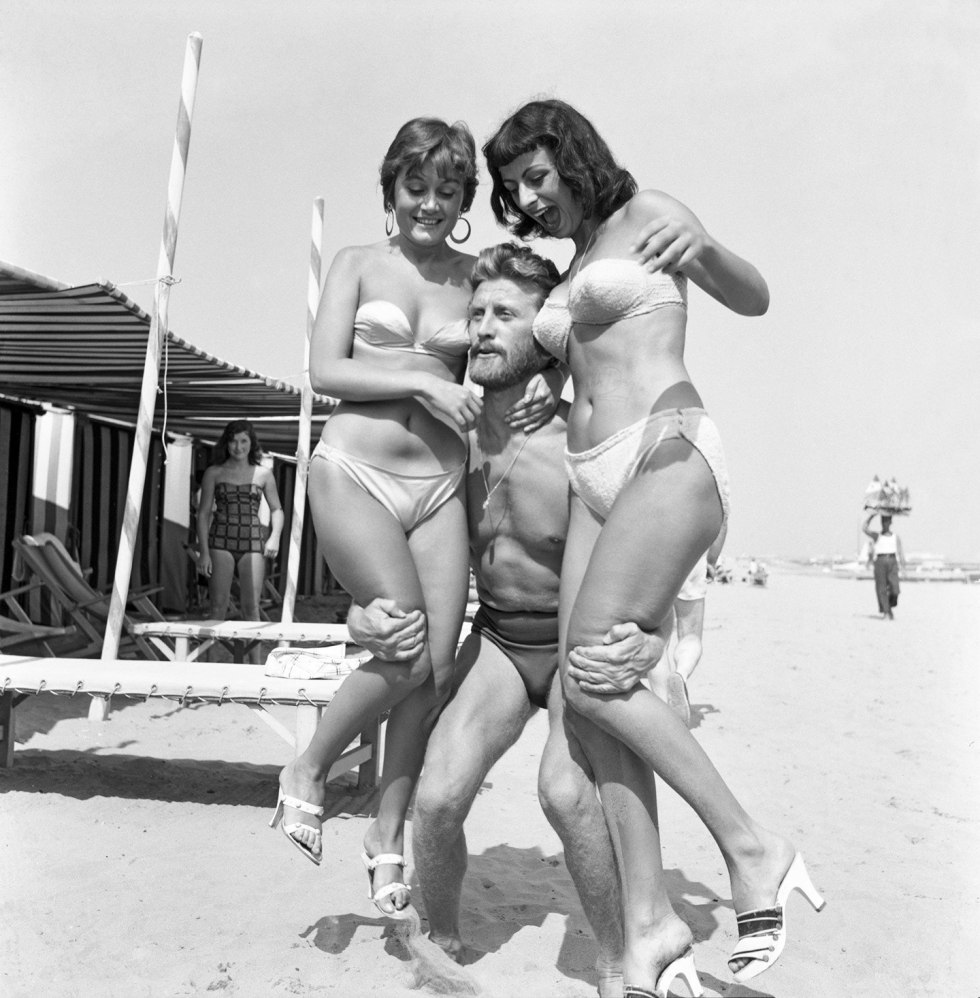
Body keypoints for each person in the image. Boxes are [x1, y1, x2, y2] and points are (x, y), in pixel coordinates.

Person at [484, 99, 824, 992]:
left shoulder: (650, 216)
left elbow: (754, 296)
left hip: (663, 448)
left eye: (537, 177)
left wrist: (703, 251)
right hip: (590, 473)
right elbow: (580, 356)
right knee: (592, 715)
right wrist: (540, 384)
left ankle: (752, 849)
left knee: (598, 669)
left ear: (574, 156)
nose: (527, 198)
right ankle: (647, 925)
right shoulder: (574, 262)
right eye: (515, 187)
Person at [346, 242, 668, 998]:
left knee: (562, 792)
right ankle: (445, 936)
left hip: (572, 641)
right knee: (436, 798)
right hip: (495, 638)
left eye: (506, 314)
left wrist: (648, 633)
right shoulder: (443, 435)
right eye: (478, 313)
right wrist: (362, 613)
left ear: (546, 332)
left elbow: (662, 535)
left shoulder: (577, 438)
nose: (485, 327)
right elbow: (377, 531)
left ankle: (620, 961)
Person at [270, 119, 559, 917]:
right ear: (391, 189)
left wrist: (552, 372)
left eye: (447, 192)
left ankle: (386, 838)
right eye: (415, 188)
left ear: (466, 200)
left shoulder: (476, 277)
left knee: (430, 670)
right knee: (396, 648)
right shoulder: (358, 264)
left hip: (439, 487)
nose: (430, 205)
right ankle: (308, 769)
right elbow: (324, 370)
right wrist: (426, 384)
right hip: (356, 472)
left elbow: (543, 315)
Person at [196, 419, 283, 621]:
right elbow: (203, 514)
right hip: (219, 542)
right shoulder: (214, 473)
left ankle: (255, 655)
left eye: (243, 441)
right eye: (233, 441)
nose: (238, 447)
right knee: (217, 607)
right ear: (226, 444)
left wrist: (275, 537)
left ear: (252, 443)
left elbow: (277, 509)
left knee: (251, 609)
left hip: (252, 543)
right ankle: (209, 653)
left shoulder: (264, 474)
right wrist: (204, 553)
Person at [862, 511, 905, 619]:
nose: (885, 523)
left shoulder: (895, 537)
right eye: (883, 521)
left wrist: (904, 567)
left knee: (895, 589)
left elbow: (900, 551)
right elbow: (864, 528)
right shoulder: (877, 536)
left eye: (887, 521)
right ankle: (886, 612)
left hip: (892, 560)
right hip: (880, 561)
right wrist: (872, 516)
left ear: (890, 522)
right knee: (881, 588)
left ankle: (889, 607)